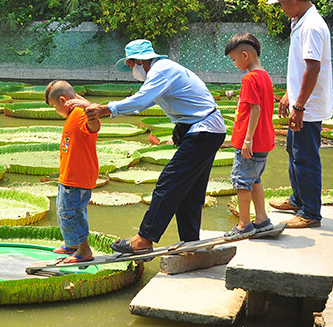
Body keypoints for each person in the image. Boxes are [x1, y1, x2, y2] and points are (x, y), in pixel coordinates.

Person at [74, 39, 226, 254]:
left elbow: (140, 101)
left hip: (204, 130)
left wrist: (104, 109)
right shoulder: (164, 71)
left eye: (129, 66)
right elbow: (147, 100)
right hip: (207, 129)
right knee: (189, 190)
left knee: (169, 182)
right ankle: (191, 241)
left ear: (138, 61)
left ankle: (144, 239)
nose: (131, 71)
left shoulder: (161, 70)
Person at [267, 0, 333, 229]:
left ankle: (311, 213)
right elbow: (299, 68)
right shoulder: (300, 21)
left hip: (309, 106)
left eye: (283, 2)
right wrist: (289, 95)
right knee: (293, 152)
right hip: (301, 101)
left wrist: (299, 106)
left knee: (305, 158)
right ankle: (297, 200)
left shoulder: (312, 26)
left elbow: (312, 68)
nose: (282, 8)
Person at [223, 32, 275, 237]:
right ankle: (261, 218)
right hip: (264, 141)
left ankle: (244, 224)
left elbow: (255, 109)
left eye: (234, 59)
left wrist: (247, 140)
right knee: (255, 180)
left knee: (241, 181)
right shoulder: (264, 75)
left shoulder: (250, 78)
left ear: (245, 55)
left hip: (251, 144)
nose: (234, 64)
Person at [46, 80, 101, 263]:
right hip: (68, 176)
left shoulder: (79, 114)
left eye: (55, 106)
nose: (56, 110)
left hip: (77, 177)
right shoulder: (73, 113)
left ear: (63, 100)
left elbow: (93, 127)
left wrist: (88, 109)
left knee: (71, 213)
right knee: (65, 210)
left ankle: (84, 251)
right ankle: (72, 244)